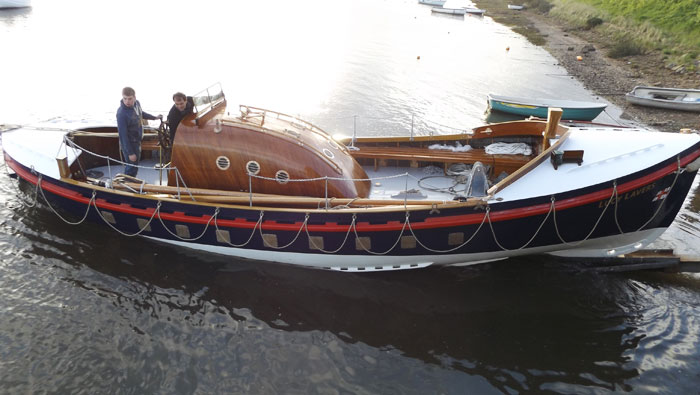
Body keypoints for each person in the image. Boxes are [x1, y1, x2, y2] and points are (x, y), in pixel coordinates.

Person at [116, 87, 162, 177]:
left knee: (134, 166)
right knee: (131, 167)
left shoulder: (137, 104)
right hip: (129, 144)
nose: (127, 101)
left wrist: (154, 117)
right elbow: (123, 136)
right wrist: (130, 153)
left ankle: (130, 183)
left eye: (130, 99)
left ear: (134, 97)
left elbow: (141, 113)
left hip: (137, 141)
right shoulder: (121, 113)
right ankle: (127, 186)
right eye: (125, 98)